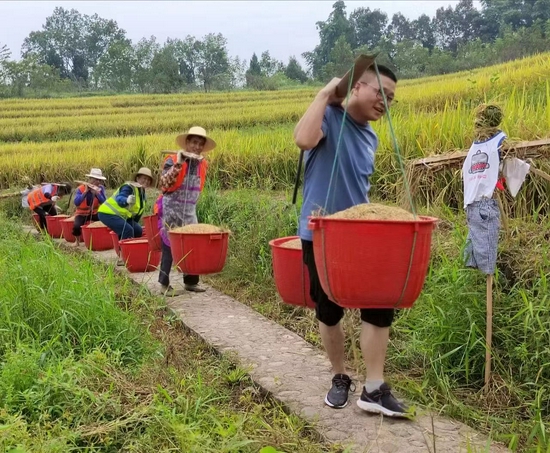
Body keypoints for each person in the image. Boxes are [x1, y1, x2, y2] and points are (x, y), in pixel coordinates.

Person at [294, 64, 411, 417]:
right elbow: (302, 139)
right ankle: (340, 375)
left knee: (379, 306)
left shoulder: (372, 136)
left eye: (391, 99)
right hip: (322, 234)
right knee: (329, 310)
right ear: (357, 86)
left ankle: (374, 388)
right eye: (381, 94)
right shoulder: (328, 117)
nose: (385, 104)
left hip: (362, 235)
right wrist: (323, 94)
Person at [158, 126, 216, 296]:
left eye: (200, 145)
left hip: (190, 209)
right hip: (172, 208)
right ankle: (164, 284)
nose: (197, 147)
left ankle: (191, 282)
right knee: (169, 244)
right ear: (187, 143)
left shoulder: (201, 163)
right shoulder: (172, 159)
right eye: (194, 143)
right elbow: (164, 183)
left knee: (193, 245)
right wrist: (178, 163)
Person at [98, 167, 153, 241]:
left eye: (148, 180)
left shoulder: (142, 194)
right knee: (127, 230)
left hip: (123, 216)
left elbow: (137, 214)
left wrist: (134, 224)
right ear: (137, 178)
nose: (146, 181)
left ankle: (133, 247)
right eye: (144, 178)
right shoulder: (129, 187)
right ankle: (124, 251)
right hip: (107, 213)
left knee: (138, 230)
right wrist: (126, 200)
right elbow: (120, 198)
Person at [72, 168, 107, 246]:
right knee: (76, 226)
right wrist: (85, 192)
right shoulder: (81, 188)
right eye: (95, 179)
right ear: (90, 179)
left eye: (99, 180)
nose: (97, 182)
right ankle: (77, 241)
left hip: (94, 212)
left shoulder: (100, 189)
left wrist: (97, 194)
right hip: (82, 213)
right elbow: (76, 202)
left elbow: (104, 202)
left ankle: (102, 239)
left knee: (106, 220)